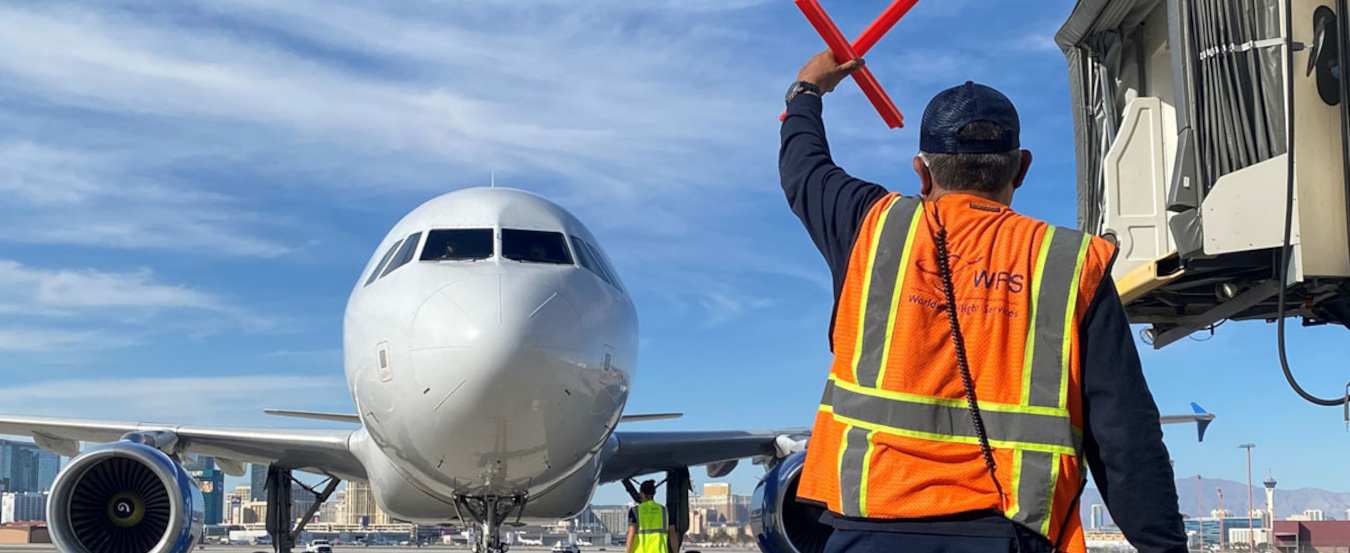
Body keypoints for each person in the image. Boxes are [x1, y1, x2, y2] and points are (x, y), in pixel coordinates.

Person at [779, 51, 1188, 553]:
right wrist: (1164, 546)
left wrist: (807, 91)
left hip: (871, 528)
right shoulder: (1070, 263)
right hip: (1010, 534)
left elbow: (804, 167)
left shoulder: (872, 227)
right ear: (1021, 168)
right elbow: (1125, 437)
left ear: (921, 172)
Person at [626, 480, 677, 553]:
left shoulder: (635, 511)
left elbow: (631, 534)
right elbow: (673, 535)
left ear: (642, 493)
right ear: (653, 494)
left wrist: (627, 551)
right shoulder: (665, 511)